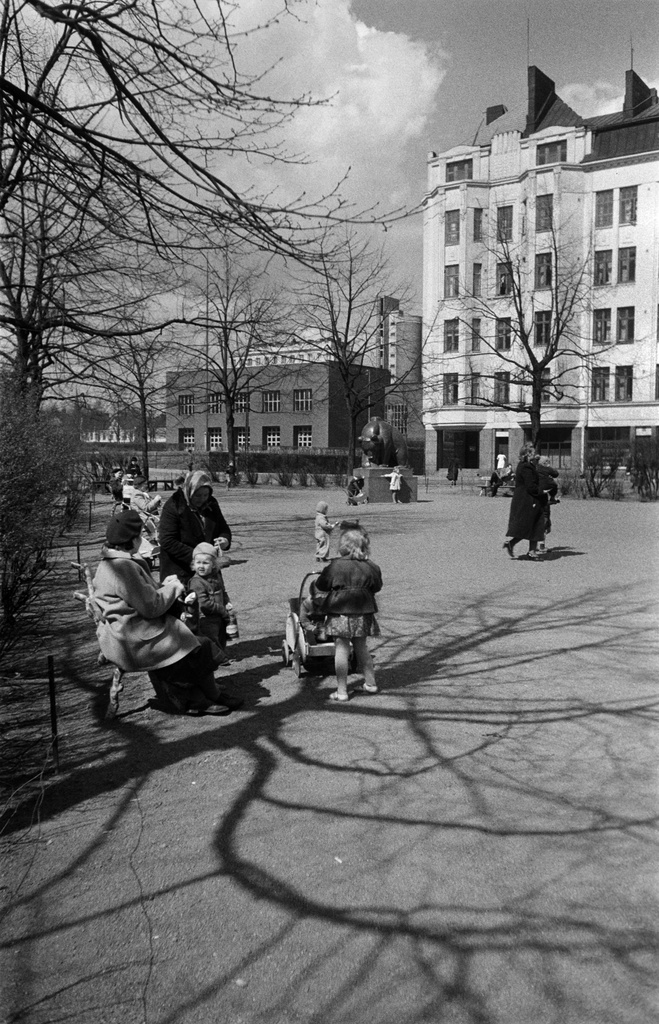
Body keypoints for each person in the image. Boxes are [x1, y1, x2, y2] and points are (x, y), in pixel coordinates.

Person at [92, 511, 242, 714]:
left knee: (194, 639)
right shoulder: (122, 568)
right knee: (195, 644)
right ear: (132, 539)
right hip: (132, 637)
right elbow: (151, 606)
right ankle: (198, 698)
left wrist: (162, 586)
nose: (143, 540)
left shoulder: (110, 563)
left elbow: (141, 597)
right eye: (140, 536)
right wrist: (173, 588)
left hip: (126, 628)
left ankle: (206, 693)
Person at [313, 524, 382, 702]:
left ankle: (342, 691)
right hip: (363, 612)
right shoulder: (371, 567)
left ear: (343, 545)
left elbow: (321, 585)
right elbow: (377, 587)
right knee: (362, 648)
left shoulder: (335, 566)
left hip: (340, 613)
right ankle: (371, 683)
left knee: (342, 650)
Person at [159, 471, 231, 584]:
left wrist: (225, 540)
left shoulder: (212, 503)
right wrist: (197, 555)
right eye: (197, 495)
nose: (202, 499)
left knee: (213, 599)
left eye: (205, 495)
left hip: (209, 571)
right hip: (180, 572)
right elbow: (167, 540)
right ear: (189, 490)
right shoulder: (174, 506)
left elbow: (223, 528)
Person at [188, 542, 232, 663]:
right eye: (198, 563)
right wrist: (222, 610)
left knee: (221, 636)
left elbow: (222, 591)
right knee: (211, 638)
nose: (201, 566)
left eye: (205, 563)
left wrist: (227, 602)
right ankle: (217, 659)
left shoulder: (215, 577)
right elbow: (204, 604)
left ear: (213, 565)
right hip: (206, 618)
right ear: (193, 564)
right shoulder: (197, 582)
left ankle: (221, 655)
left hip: (218, 615)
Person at [503, 443, 547, 560]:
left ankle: (517, 546)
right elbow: (530, 486)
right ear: (527, 454)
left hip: (525, 499)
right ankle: (530, 551)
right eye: (532, 453)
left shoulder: (526, 465)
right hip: (527, 499)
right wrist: (543, 491)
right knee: (532, 524)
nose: (535, 455)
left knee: (531, 524)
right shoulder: (526, 467)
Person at [535, 456, 560, 553]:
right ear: (545, 463)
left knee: (544, 522)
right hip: (544, 497)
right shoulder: (546, 469)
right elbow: (556, 473)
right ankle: (541, 545)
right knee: (544, 520)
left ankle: (536, 545)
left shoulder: (536, 469)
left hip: (538, 495)